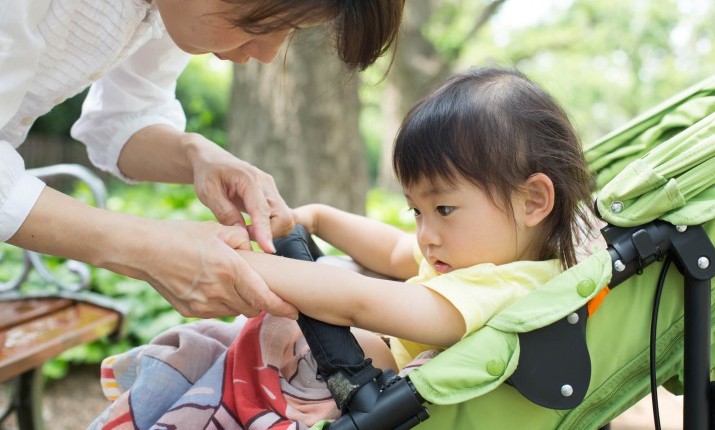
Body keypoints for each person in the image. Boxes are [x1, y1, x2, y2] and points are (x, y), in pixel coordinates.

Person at [0, 0, 405, 318]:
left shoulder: (172, 10)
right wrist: (143, 248)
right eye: (256, 24)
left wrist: (197, 156)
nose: (267, 54)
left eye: (291, 29)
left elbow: (121, 120)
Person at [238, 66, 596, 370]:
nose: (426, 235)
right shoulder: (473, 255)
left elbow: (360, 302)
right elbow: (395, 248)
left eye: (443, 209)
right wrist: (318, 218)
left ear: (532, 201)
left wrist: (239, 263)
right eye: (416, 211)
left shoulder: (503, 289)